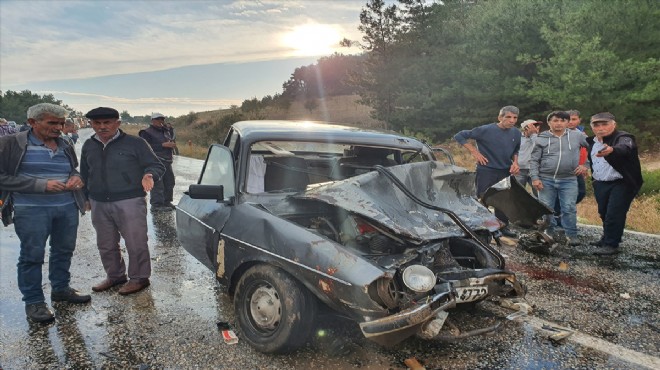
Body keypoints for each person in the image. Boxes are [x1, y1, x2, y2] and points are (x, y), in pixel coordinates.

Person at [0, 103, 90, 323]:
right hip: (31, 210)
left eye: (61, 123)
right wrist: (40, 185)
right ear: (32, 122)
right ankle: (34, 302)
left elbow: (72, 169)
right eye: (52, 123)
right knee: (32, 256)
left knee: (64, 250)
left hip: (67, 207)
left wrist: (77, 177)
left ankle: (60, 290)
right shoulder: (10, 143)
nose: (59, 127)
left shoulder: (66, 142)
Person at [81, 107, 165, 295]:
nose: (102, 127)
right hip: (99, 202)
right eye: (97, 123)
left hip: (130, 200)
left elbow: (155, 164)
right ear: (91, 124)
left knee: (136, 242)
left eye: (107, 122)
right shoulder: (89, 145)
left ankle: (139, 278)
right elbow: (85, 173)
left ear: (117, 123)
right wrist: (85, 197)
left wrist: (149, 175)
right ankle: (115, 276)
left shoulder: (136, 143)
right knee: (106, 243)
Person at [454, 105, 521, 237]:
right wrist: (474, 152)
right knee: (483, 197)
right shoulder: (486, 129)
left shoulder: (516, 133)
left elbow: (516, 150)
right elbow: (459, 135)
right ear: (500, 117)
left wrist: (516, 163)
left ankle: (502, 227)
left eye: (515, 118)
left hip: (505, 170)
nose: (512, 120)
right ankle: (482, 227)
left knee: (503, 199)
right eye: (508, 117)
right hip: (487, 170)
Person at [586, 113, 643, 256]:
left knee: (614, 213)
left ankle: (611, 244)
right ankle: (607, 238)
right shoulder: (591, 142)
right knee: (604, 212)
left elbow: (625, 147)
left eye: (604, 124)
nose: (600, 128)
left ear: (614, 124)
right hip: (600, 182)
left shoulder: (623, 137)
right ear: (592, 127)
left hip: (622, 182)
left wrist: (612, 150)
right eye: (596, 125)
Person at [530, 111, 588, 246]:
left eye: (562, 121)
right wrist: (535, 178)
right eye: (555, 121)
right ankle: (549, 232)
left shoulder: (577, 136)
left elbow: (593, 148)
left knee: (568, 207)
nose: (559, 124)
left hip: (569, 179)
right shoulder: (542, 137)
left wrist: (586, 165)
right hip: (546, 179)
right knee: (547, 208)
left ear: (567, 123)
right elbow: (534, 160)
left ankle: (571, 235)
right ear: (549, 122)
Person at [139, 113, 177, 212]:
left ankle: (167, 201)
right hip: (155, 161)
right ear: (152, 120)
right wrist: (162, 145)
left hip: (167, 160)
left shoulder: (166, 131)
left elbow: (172, 138)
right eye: (158, 119)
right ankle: (156, 205)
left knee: (170, 182)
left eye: (162, 119)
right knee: (158, 184)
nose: (161, 120)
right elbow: (144, 147)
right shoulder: (146, 132)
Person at [516, 119, 541, 196]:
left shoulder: (538, 138)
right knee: (518, 193)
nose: (536, 127)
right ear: (526, 128)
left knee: (539, 193)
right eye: (534, 125)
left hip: (535, 170)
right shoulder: (517, 138)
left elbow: (538, 146)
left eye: (537, 125)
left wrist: (534, 134)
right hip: (519, 170)